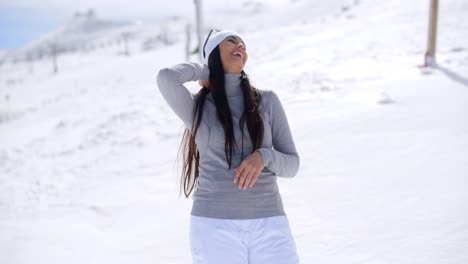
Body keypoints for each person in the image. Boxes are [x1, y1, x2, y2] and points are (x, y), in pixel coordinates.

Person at [156, 29, 301, 264]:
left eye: (243, 44)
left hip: (270, 224)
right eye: (231, 41)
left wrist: (264, 156)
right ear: (213, 54)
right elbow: (165, 77)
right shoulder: (198, 108)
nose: (241, 46)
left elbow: (292, 165)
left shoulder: (267, 101)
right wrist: (205, 71)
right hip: (214, 226)